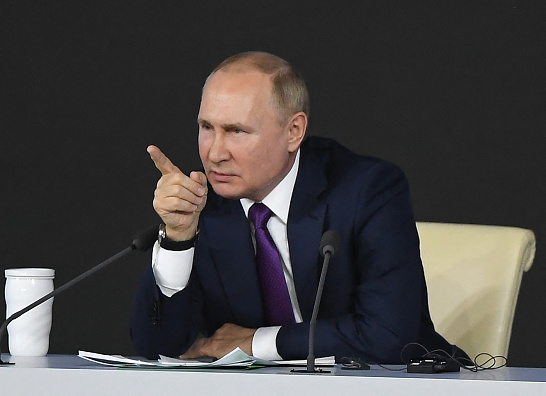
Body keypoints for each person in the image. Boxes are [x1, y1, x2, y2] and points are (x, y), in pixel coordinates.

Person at [130, 51, 466, 363]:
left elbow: (389, 336)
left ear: (294, 131)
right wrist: (178, 238)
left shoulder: (367, 189)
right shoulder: (204, 203)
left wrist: (258, 343)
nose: (215, 153)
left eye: (236, 131)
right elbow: (161, 350)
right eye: (206, 128)